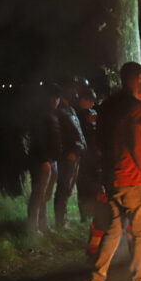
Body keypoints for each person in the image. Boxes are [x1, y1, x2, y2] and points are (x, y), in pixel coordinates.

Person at [83, 61, 141, 281]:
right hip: (133, 179)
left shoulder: (108, 105)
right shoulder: (136, 107)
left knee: (114, 230)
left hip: (112, 179)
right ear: (139, 78)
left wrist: (105, 172)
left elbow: (99, 142)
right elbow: (136, 145)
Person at [26, 83, 62, 235]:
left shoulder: (52, 113)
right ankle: (33, 228)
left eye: (57, 98)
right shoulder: (40, 115)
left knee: (45, 194)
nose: (56, 101)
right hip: (43, 161)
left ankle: (44, 225)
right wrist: (44, 160)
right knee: (38, 193)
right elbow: (38, 140)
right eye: (54, 98)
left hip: (52, 160)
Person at [54, 86, 87, 229]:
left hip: (76, 154)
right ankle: (61, 221)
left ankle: (64, 219)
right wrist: (68, 152)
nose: (76, 95)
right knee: (63, 187)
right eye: (74, 92)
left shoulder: (71, 110)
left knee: (68, 188)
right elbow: (59, 136)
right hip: (69, 156)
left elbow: (77, 131)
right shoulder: (60, 112)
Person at [75, 87, 100, 222]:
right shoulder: (76, 114)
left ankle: (95, 212)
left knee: (95, 184)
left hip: (94, 156)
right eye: (90, 101)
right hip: (83, 156)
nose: (92, 104)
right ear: (83, 100)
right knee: (83, 185)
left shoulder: (93, 112)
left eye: (93, 101)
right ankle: (84, 215)